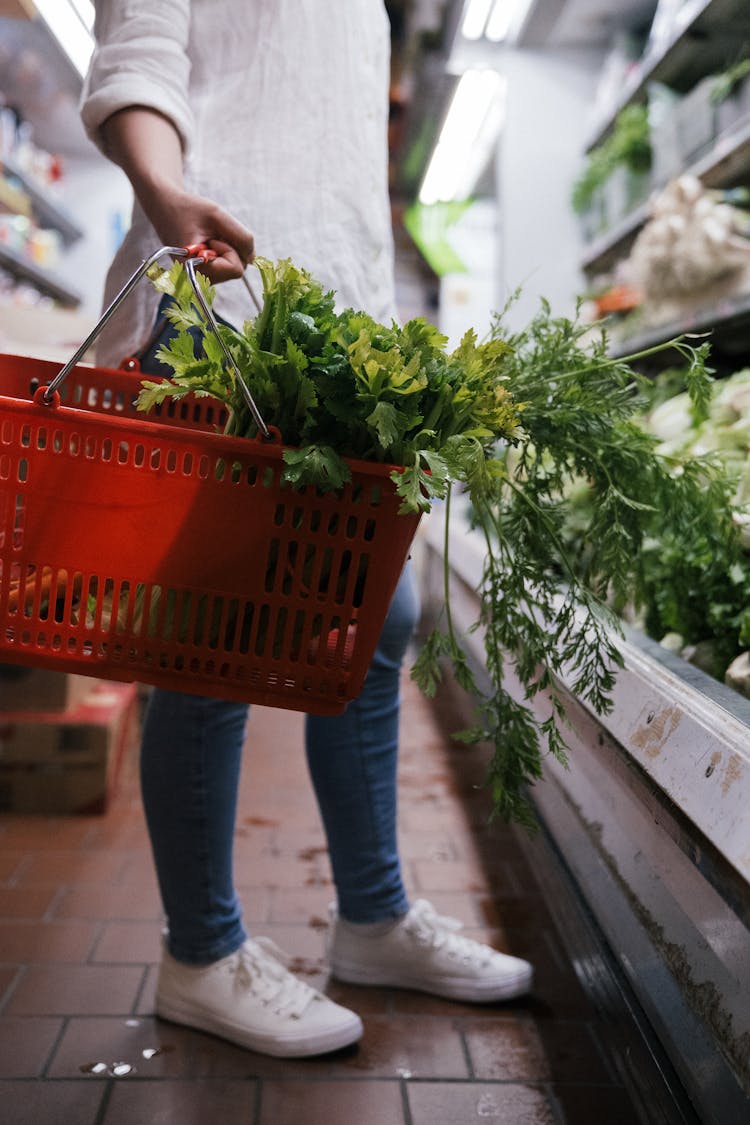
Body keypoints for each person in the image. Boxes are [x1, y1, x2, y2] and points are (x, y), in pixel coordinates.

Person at [80, 0, 533, 1059]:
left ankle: (372, 918)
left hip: (336, 320)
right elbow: (135, 57)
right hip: (218, 299)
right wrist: (163, 191)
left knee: (383, 617)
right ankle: (202, 954)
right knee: (209, 646)